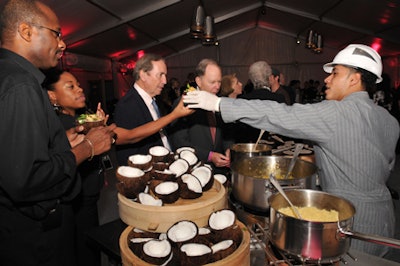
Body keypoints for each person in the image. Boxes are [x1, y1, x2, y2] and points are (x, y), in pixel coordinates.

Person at [183, 44, 400, 257]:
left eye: (335, 73)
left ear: (354, 79)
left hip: (350, 221)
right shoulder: (390, 121)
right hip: (385, 217)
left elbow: (278, 114)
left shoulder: (336, 113)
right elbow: (381, 165)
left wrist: (220, 104)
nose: (327, 79)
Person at [0, 1, 116, 265]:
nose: (63, 44)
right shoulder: (20, 85)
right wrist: (86, 147)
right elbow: (26, 179)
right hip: (35, 239)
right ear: (27, 32)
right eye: (57, 33)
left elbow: (12, 155)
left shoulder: (9, 76)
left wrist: (60, 144)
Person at [43, 68, 110, 266]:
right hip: (76, 201)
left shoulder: (80, 119)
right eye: (70, 87)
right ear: (52, 96)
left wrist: (98, 127)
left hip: (87, 196)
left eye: (78, 85)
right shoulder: (60, 126)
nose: (79, 89)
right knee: (84, 251)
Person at [114, 53, 193, 165]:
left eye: (165, 75)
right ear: (143, 75)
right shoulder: (127, 105)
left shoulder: (154, 99)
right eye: (160, 75)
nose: (165, 81)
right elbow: (129, 144)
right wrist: (175, 114)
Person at [169, 59, 232, 175]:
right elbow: (179, 142)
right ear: (198, 81)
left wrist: (229, 148)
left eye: (219, 81)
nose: (217, 86)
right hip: (194, 172)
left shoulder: (219, 101)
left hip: (220, 172)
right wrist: (209, 156)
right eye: (212, 82)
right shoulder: (184, 103)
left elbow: (226, 131)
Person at [236, 61, 286, 143]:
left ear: (252, 80)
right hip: (273, 145)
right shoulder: (278, 99)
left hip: (249, 146)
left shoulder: (243, 100)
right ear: (269, 78)